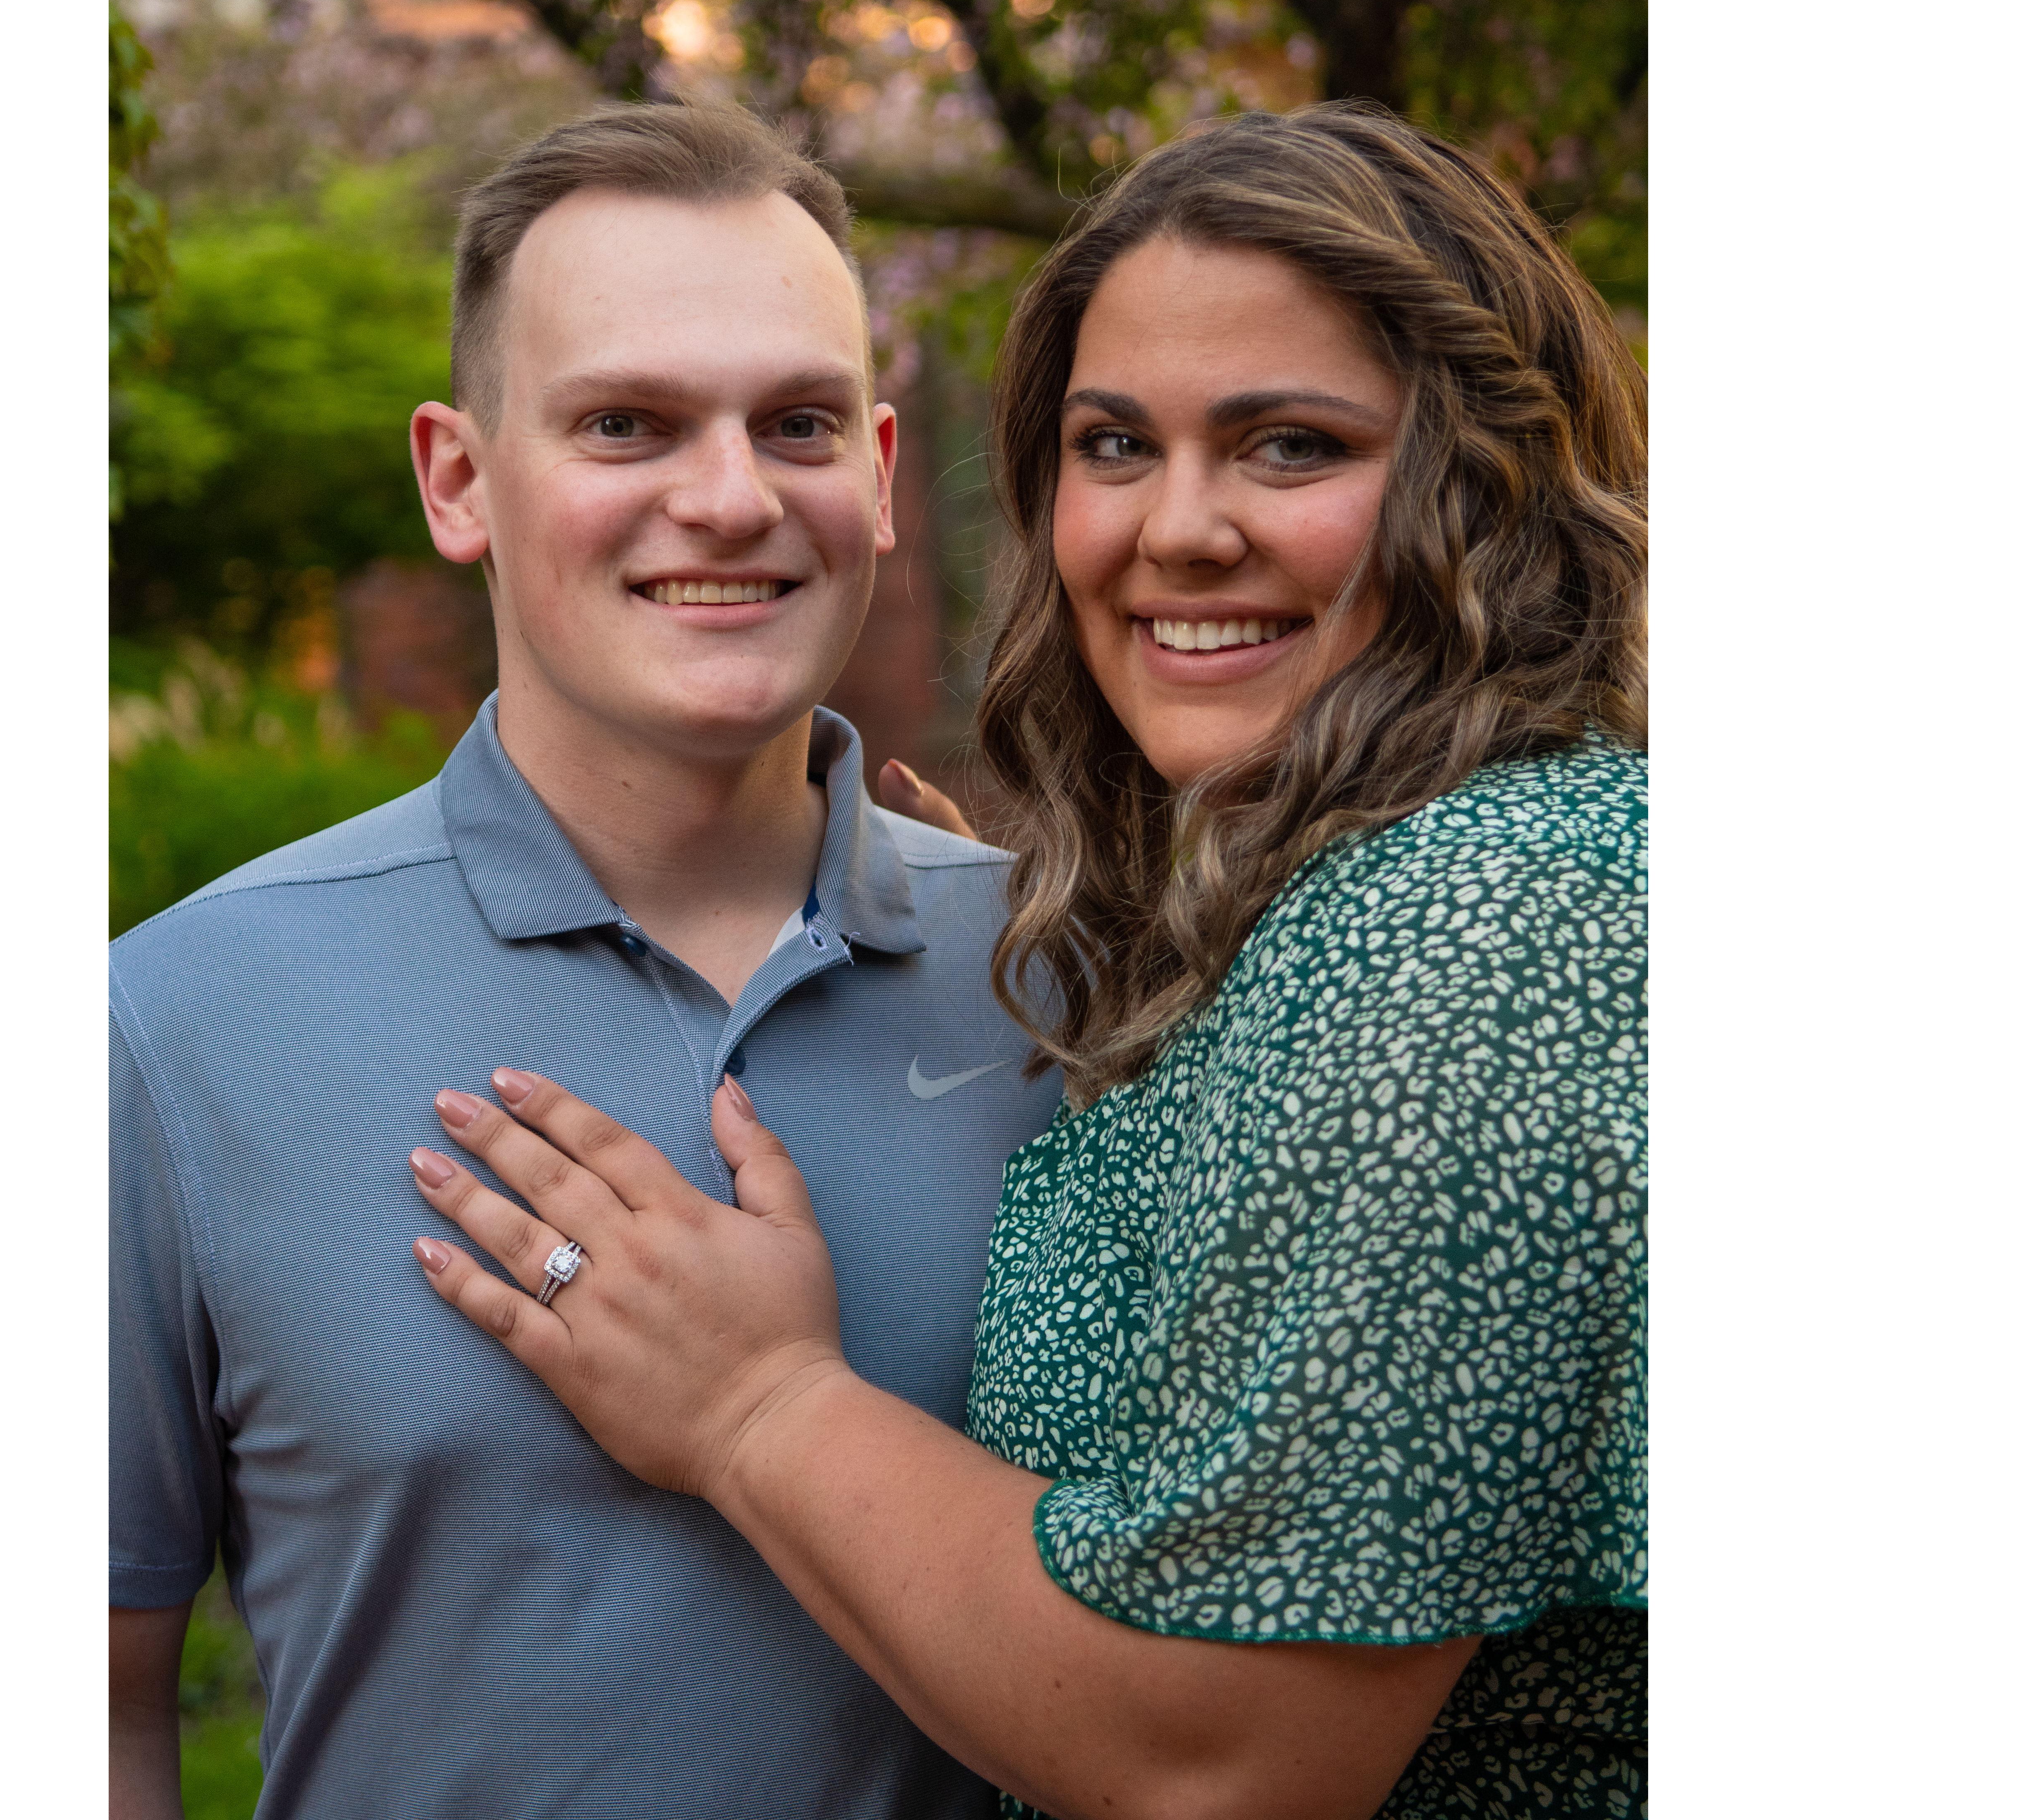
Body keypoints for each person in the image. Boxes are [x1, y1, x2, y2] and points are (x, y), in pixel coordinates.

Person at [392, 102, 1648, 1819]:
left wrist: (757, 1405)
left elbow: (1224, 1761)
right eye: (1116, 445)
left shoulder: (1471, 925)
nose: (1177, 529)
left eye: (1292, 446)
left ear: (1490, 480)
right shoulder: (1382, 898)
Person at [108, 104, 1061, 1819]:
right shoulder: (169, 1022)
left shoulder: (1076, 989)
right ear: (459, 480)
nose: (731, 499)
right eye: (627, 424)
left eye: (798, 424)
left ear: (878, 475)